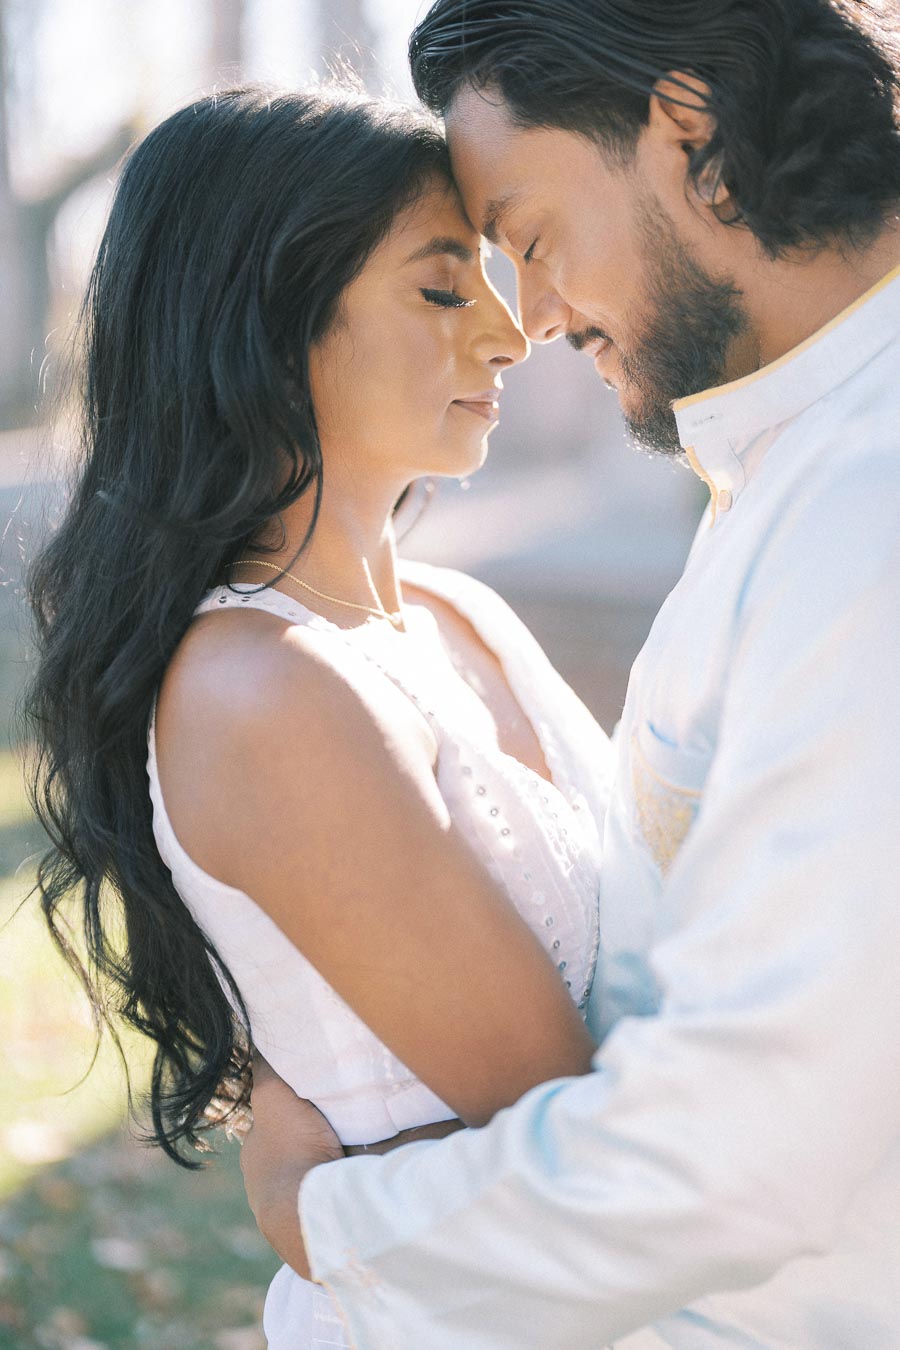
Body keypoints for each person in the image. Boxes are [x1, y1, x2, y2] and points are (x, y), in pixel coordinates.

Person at [239, 2, 900, 1346]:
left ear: (687, 129)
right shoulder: (796, 463)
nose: (529, 318)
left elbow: (745, 1147)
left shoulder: (866, 506)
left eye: (530, 239)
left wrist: (331, 1226)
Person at [22, 84, 618, 1348]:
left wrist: (305, 1189)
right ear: (268, 324)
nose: (509, 335)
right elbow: (585, 1134)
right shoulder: (263, 693)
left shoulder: (459, 615)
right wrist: (306, 1203)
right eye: (443, 290)